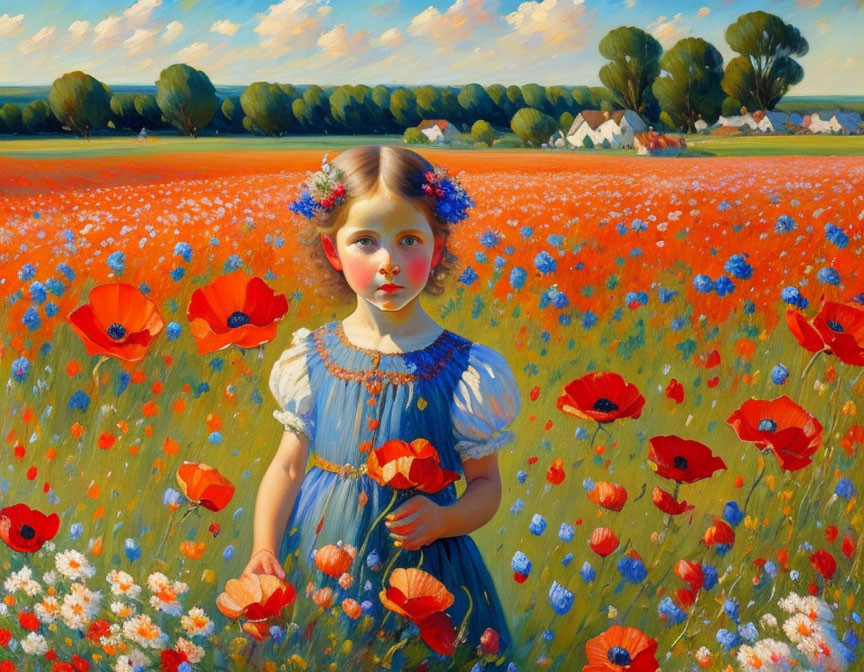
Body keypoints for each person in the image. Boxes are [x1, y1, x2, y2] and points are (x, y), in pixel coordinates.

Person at [242, 145, 521, 662]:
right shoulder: (311, 358)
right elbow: (286, 466)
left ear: (437, 249)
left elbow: (486, 485)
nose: (388, 262)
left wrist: (445, 520)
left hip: (426, 575)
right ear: (332, 252)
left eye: (408, 240)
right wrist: (263, 547)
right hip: (320, 557)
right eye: (365, 242)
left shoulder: (465, 371)